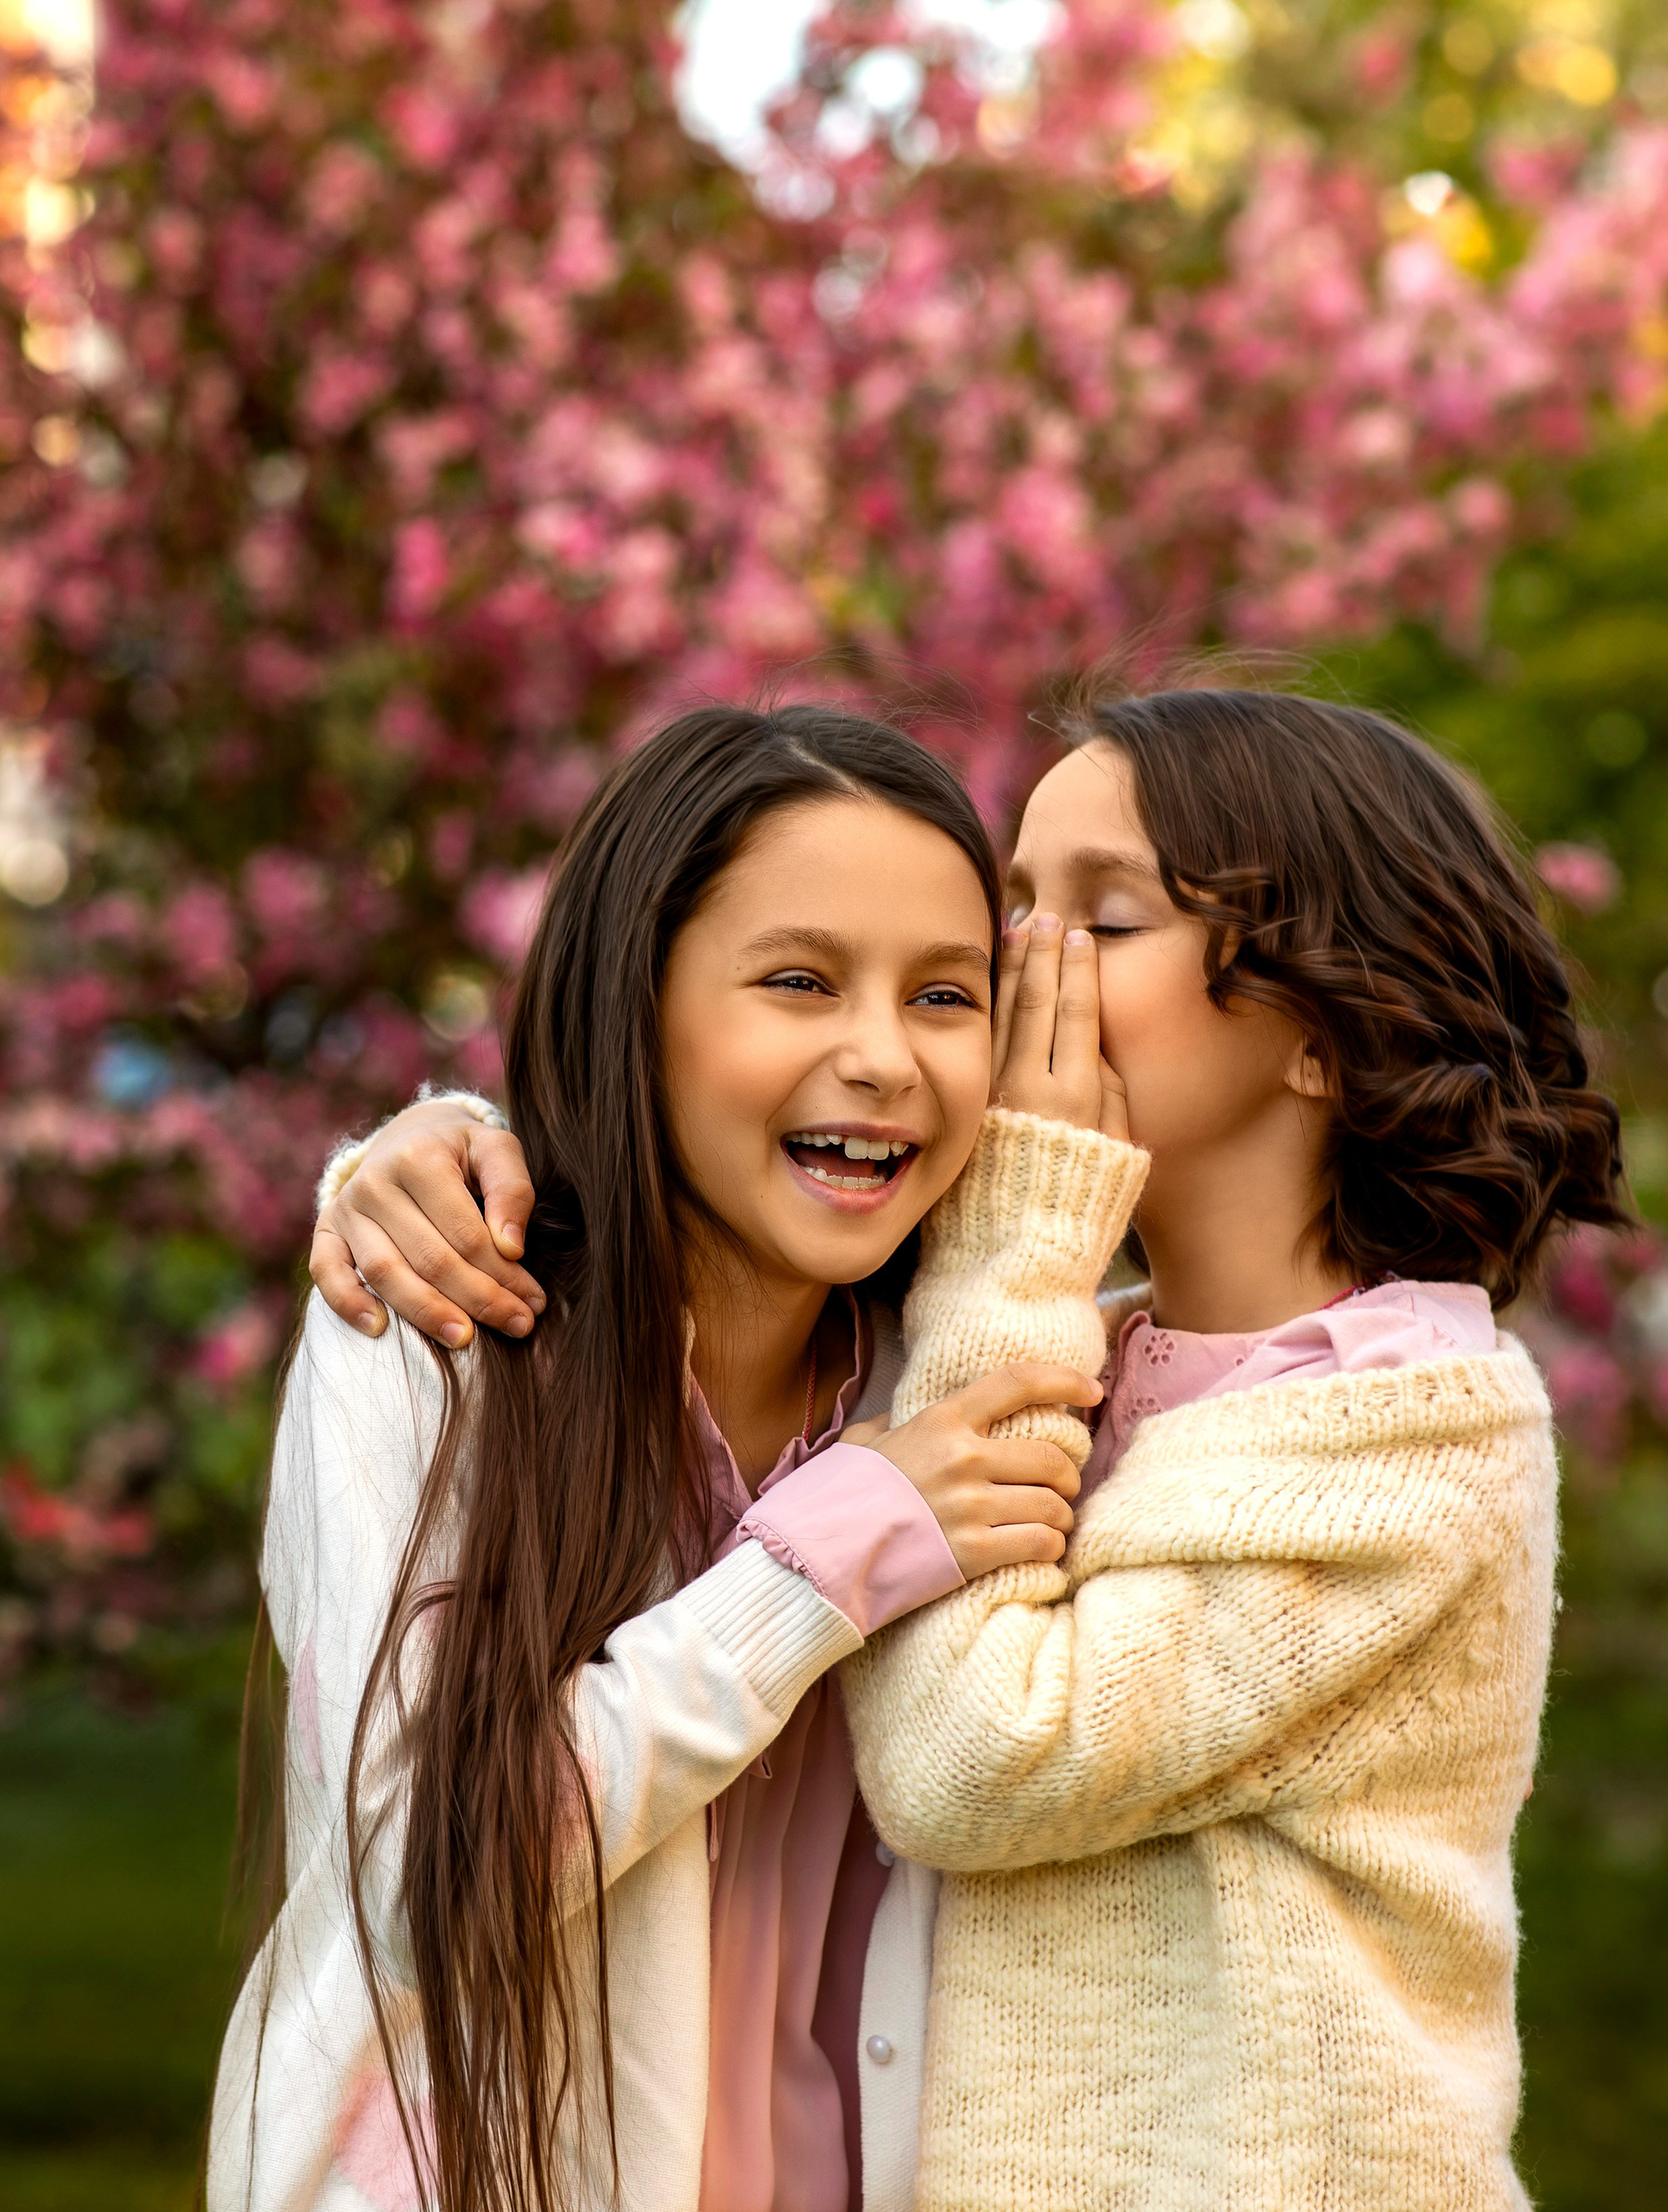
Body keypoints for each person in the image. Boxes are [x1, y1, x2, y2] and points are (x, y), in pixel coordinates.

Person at [309, 688, 1628, 2210]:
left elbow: (964, 1760)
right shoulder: (1075, 1336)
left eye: (1103, 923)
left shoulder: (1414, 1434)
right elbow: (693, 1175)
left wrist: (1022, 1235)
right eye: (1014, 920)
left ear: (1328, 1032)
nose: (1019, 984)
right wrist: (429, 1150)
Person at [209, 702, 1117, 2212]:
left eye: (948, 996)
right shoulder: (433, 1335)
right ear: (634, 1003)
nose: (882, 1057)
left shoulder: (949, 1379)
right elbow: (425, 1887)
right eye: (798, 981)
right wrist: (824, 1564)